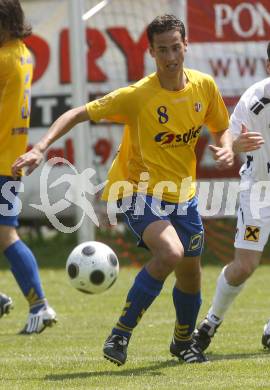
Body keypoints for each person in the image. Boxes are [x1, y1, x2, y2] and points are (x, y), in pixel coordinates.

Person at [12, 15, 233, 362]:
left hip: (183, 196)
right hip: (137, 188)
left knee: (191, 275)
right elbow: (77, 113)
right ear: (150, 52)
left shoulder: (204, 87)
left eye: (176, 47)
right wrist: (41, 147)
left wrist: (227, 146)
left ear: (186, 45)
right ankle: (120, 334)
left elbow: (222, 127)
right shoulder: (138, 95)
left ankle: (182, 341)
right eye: (162, 50)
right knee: (170, 254)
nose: (171, 56)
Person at [193, 44, 270, 352]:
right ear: (268, 65)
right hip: (259, 192)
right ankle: (210, 323)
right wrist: (233, 148)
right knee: (245, 266)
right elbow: (231, 140)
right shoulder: (254, 100)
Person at [0, 0, 57, 334]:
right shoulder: (23, 53)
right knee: (5, 233)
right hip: (10, 159)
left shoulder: (5, 58)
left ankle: (40, 307)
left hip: (1, 161)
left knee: (6, 235)